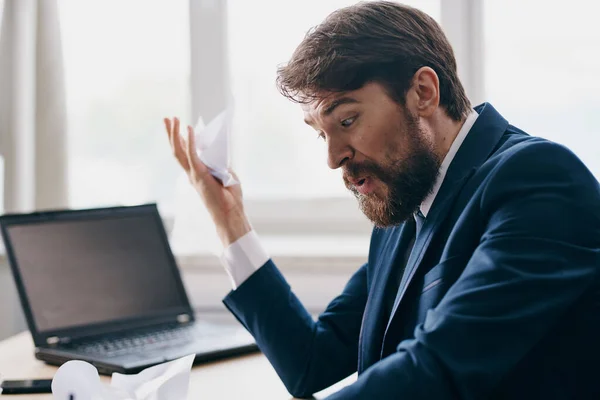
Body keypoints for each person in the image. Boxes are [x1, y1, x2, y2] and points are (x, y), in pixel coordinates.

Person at [163, 2, 600, 399]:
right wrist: (229, 219)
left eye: (347, 120)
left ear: (424, 92)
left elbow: (438, 368)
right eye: (321, 133)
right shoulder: (408, 205)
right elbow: (311, 363)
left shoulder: (539, 179)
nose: (333, 158)